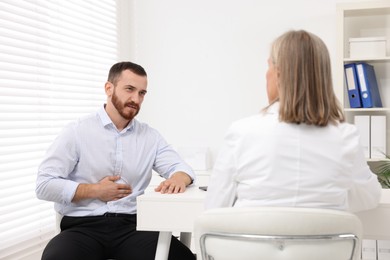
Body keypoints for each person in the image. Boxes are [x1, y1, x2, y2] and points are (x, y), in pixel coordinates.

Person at [205, 30, 382, 212]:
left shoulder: (242, 132)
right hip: (323, 240)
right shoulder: (345, 137)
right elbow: (369, 198)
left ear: (279, 74)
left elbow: (214, 209)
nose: (266, 75)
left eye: (269, 67)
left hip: (254, 239)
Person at [36, 61, 196, 260]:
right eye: (129, 89)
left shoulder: (150, 137)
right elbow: (44, 185)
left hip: (134, 227)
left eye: (142, 93)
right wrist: (94, 190)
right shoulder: (77, 131)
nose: (135, 99)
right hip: (82, 228)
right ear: (108, 88)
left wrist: (179, 178)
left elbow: (180, 167)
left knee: (183, 258)